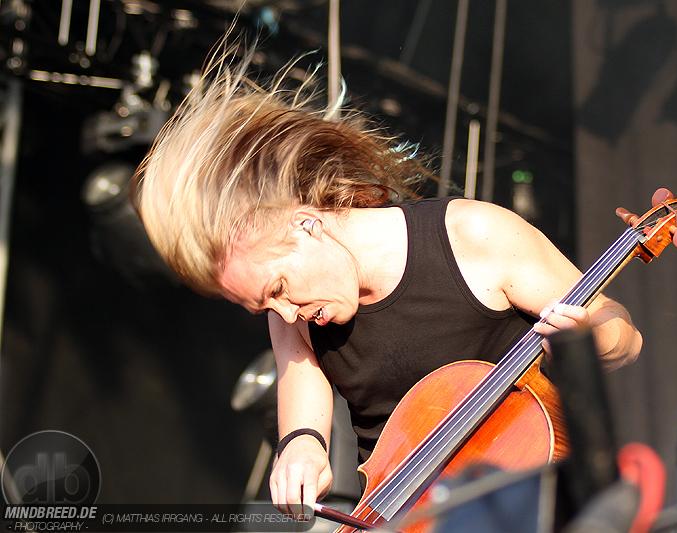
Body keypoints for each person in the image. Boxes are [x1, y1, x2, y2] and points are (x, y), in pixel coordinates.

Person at [130, 51, 643, 517]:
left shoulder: (474, 237)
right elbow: (301, 375)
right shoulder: (294, 306)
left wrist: (590, 340)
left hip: (533, 507)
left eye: (278, 289)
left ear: (306, 224)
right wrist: (302, 443)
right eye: (264, 307)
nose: (284, 316)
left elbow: (624, 334)